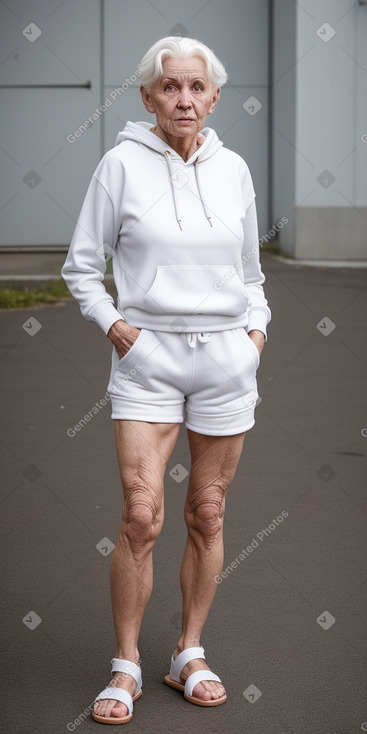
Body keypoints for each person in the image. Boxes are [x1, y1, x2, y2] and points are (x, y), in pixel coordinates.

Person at [62, 35, 271, 725]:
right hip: (148, 358)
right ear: (149, 96)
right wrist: (119, 330)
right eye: (169, 87)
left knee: (206, 512)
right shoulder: (119, 165)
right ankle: (125, 664)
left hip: (224, 359)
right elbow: (81, 268)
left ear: (213, 98)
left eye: (196, 88)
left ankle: (187, 652)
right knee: (142, 516)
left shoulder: (233, 168)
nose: (183, 99)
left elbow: (250, 273)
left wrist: (253, 336)